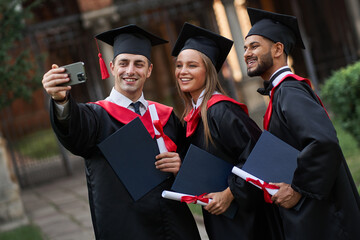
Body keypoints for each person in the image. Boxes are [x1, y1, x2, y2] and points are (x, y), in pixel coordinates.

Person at [41, 24, 201, 240]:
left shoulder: (166, 116)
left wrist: (181, 165)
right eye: (123, 63)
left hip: (174, 226)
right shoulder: (95, 117)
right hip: (127, 229)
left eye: (139, 64)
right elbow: (73, 134)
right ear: (112, 67)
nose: (130, 71)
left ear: (149, 70)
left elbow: (193, 165)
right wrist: (60, 100)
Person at [242, 7, 360, 239]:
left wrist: (298, 188)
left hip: (326, 218)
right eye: (245, 48)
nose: (246, 53)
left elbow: (323, 142)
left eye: (254, 46)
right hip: (311, 214)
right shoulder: (280, 93)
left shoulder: (290, 91)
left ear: (278, 49)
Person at [171, 22, 275, 240]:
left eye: (192, 65)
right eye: (179, 65)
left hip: (247, 222)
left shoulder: (221, 111)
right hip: (222, 218)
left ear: (207, 71)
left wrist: (230, 193)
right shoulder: (195, 115)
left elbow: (260, 157)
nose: (183, 72)